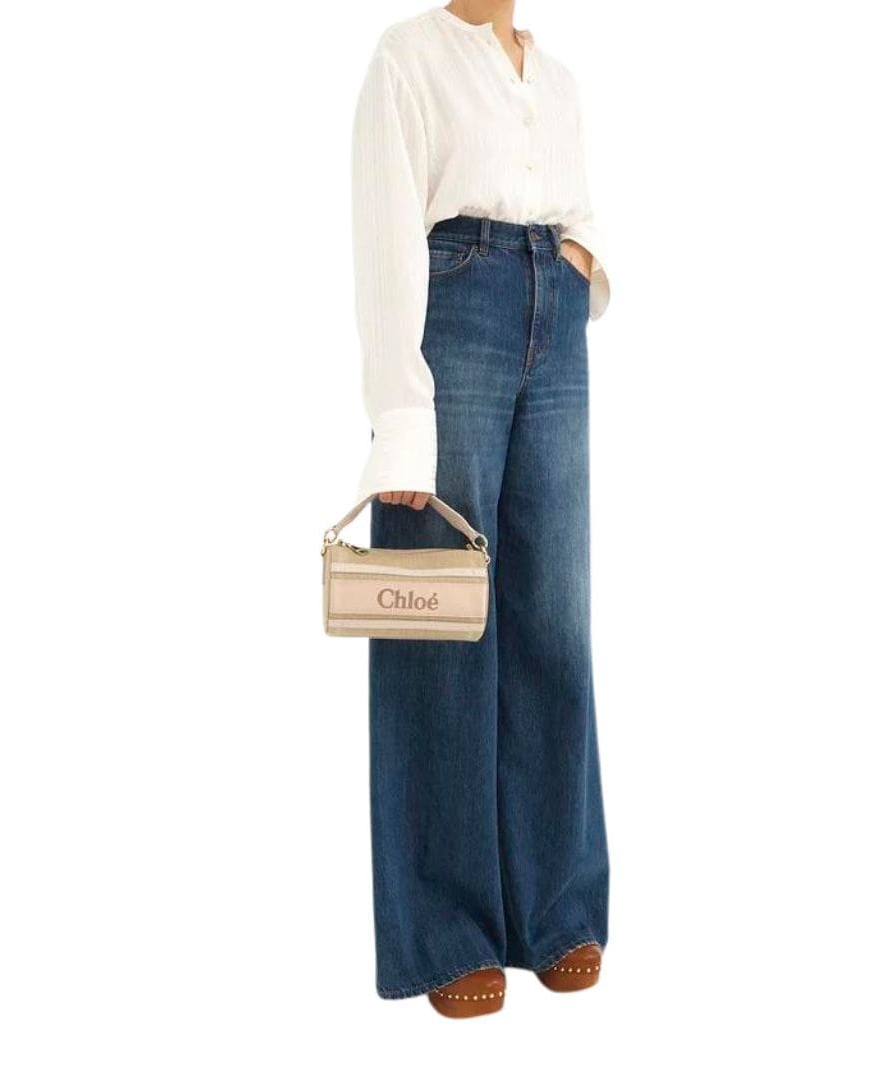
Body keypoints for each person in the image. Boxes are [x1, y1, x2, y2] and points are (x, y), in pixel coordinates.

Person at [349, 1, 611, 1017]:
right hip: (453, 303)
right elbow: (385, 234)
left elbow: (575, 202)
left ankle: (553, 907)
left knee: (552, 617)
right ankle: (447, 929)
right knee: (441, 621)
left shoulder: (557, 78)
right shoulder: (407, 55)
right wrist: (398, 420)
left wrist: (578, 258)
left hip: (556, 311)